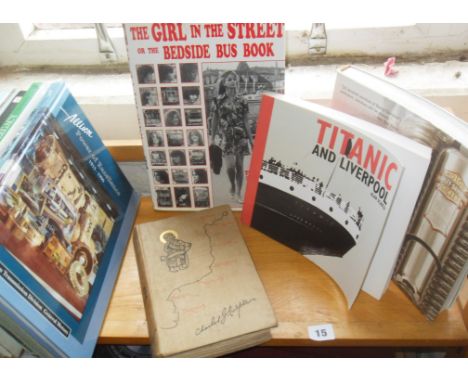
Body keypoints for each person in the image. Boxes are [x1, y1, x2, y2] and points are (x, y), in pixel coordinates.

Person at [209, 70, 253, 203]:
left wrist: (251, 140)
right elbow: (214, 120)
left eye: (234, 79)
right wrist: (212, 138)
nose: (232, 81)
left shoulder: (243, 100)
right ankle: (232, 186)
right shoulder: (217, 101)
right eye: (229, 79)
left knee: (240, 165)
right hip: (226, 137)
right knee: (230, 167)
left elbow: (246, 121)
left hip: (241, 137)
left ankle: (239, 193)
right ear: (224, 82)